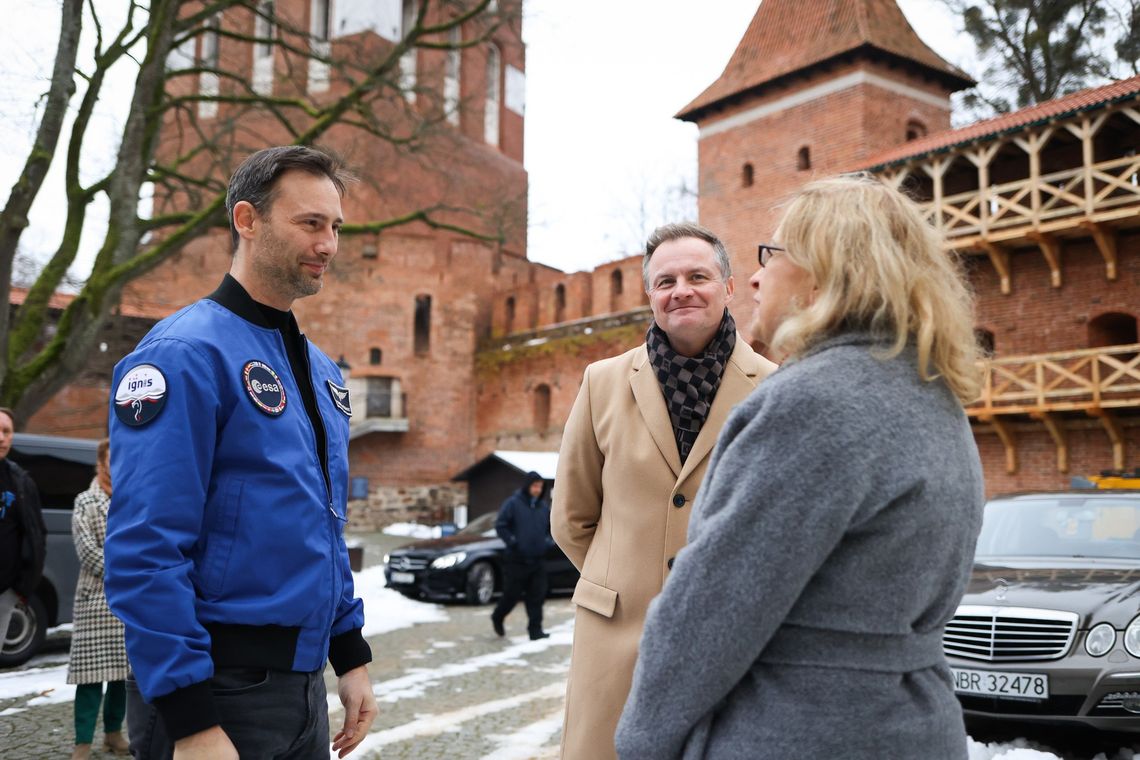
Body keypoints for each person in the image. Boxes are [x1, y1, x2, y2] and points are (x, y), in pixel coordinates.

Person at [615, 174, 986, 759]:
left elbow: (709, 615)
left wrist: (642, 743)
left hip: (802, 728)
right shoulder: (930, 390)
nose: (757, 277)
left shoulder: (813, 403)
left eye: (773, 253)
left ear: (825, 275)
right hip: (911, 727)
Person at [105, 146, 377, 760]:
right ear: (247, 221)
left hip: (301, 691)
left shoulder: (320, 370)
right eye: (310, 223)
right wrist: (190, 718)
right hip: (216, 692)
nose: (329, 244)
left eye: (336, 227)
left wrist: (349, 653)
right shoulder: (182, 355)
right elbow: (145, 548)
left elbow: (323, 526)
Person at [552, 222, 777, 759]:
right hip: (615, 631)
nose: (682, 290)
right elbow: (572, 516)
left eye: (698, 276)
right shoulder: (602, 381)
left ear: (726, 287)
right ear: (649, 294)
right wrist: (622, 574)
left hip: (726, 636)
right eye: (666, 280)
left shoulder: (773, 389)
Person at [67, 439, 129, 759]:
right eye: (110, 458)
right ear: (101, 463)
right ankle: (81, 744)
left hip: (127, 599)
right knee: (89, 678)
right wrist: (124, 569)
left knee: (121, 674)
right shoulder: (85, 501)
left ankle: (114, 735)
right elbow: (86, 550)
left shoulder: (130, 500)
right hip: (95, 598)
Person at [0, 407, 45, 662]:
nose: (1, 437)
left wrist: (22, 588)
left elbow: (36, 533)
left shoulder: (20, 480)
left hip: (4, 593)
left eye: (7, 431)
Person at [491, 471, 553, 641]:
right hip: (516, 560)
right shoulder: (513, 504)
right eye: (535, 486)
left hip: (538, 560)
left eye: (540, 486)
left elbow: (551, 529)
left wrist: (547, 543)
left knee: (537, 597)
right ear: (527, 486)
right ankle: (498, 616)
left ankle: (535, 631)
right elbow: (501, 525)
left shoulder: (543, 507)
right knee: (511, 595)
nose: (537, 489)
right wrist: (513, 542)